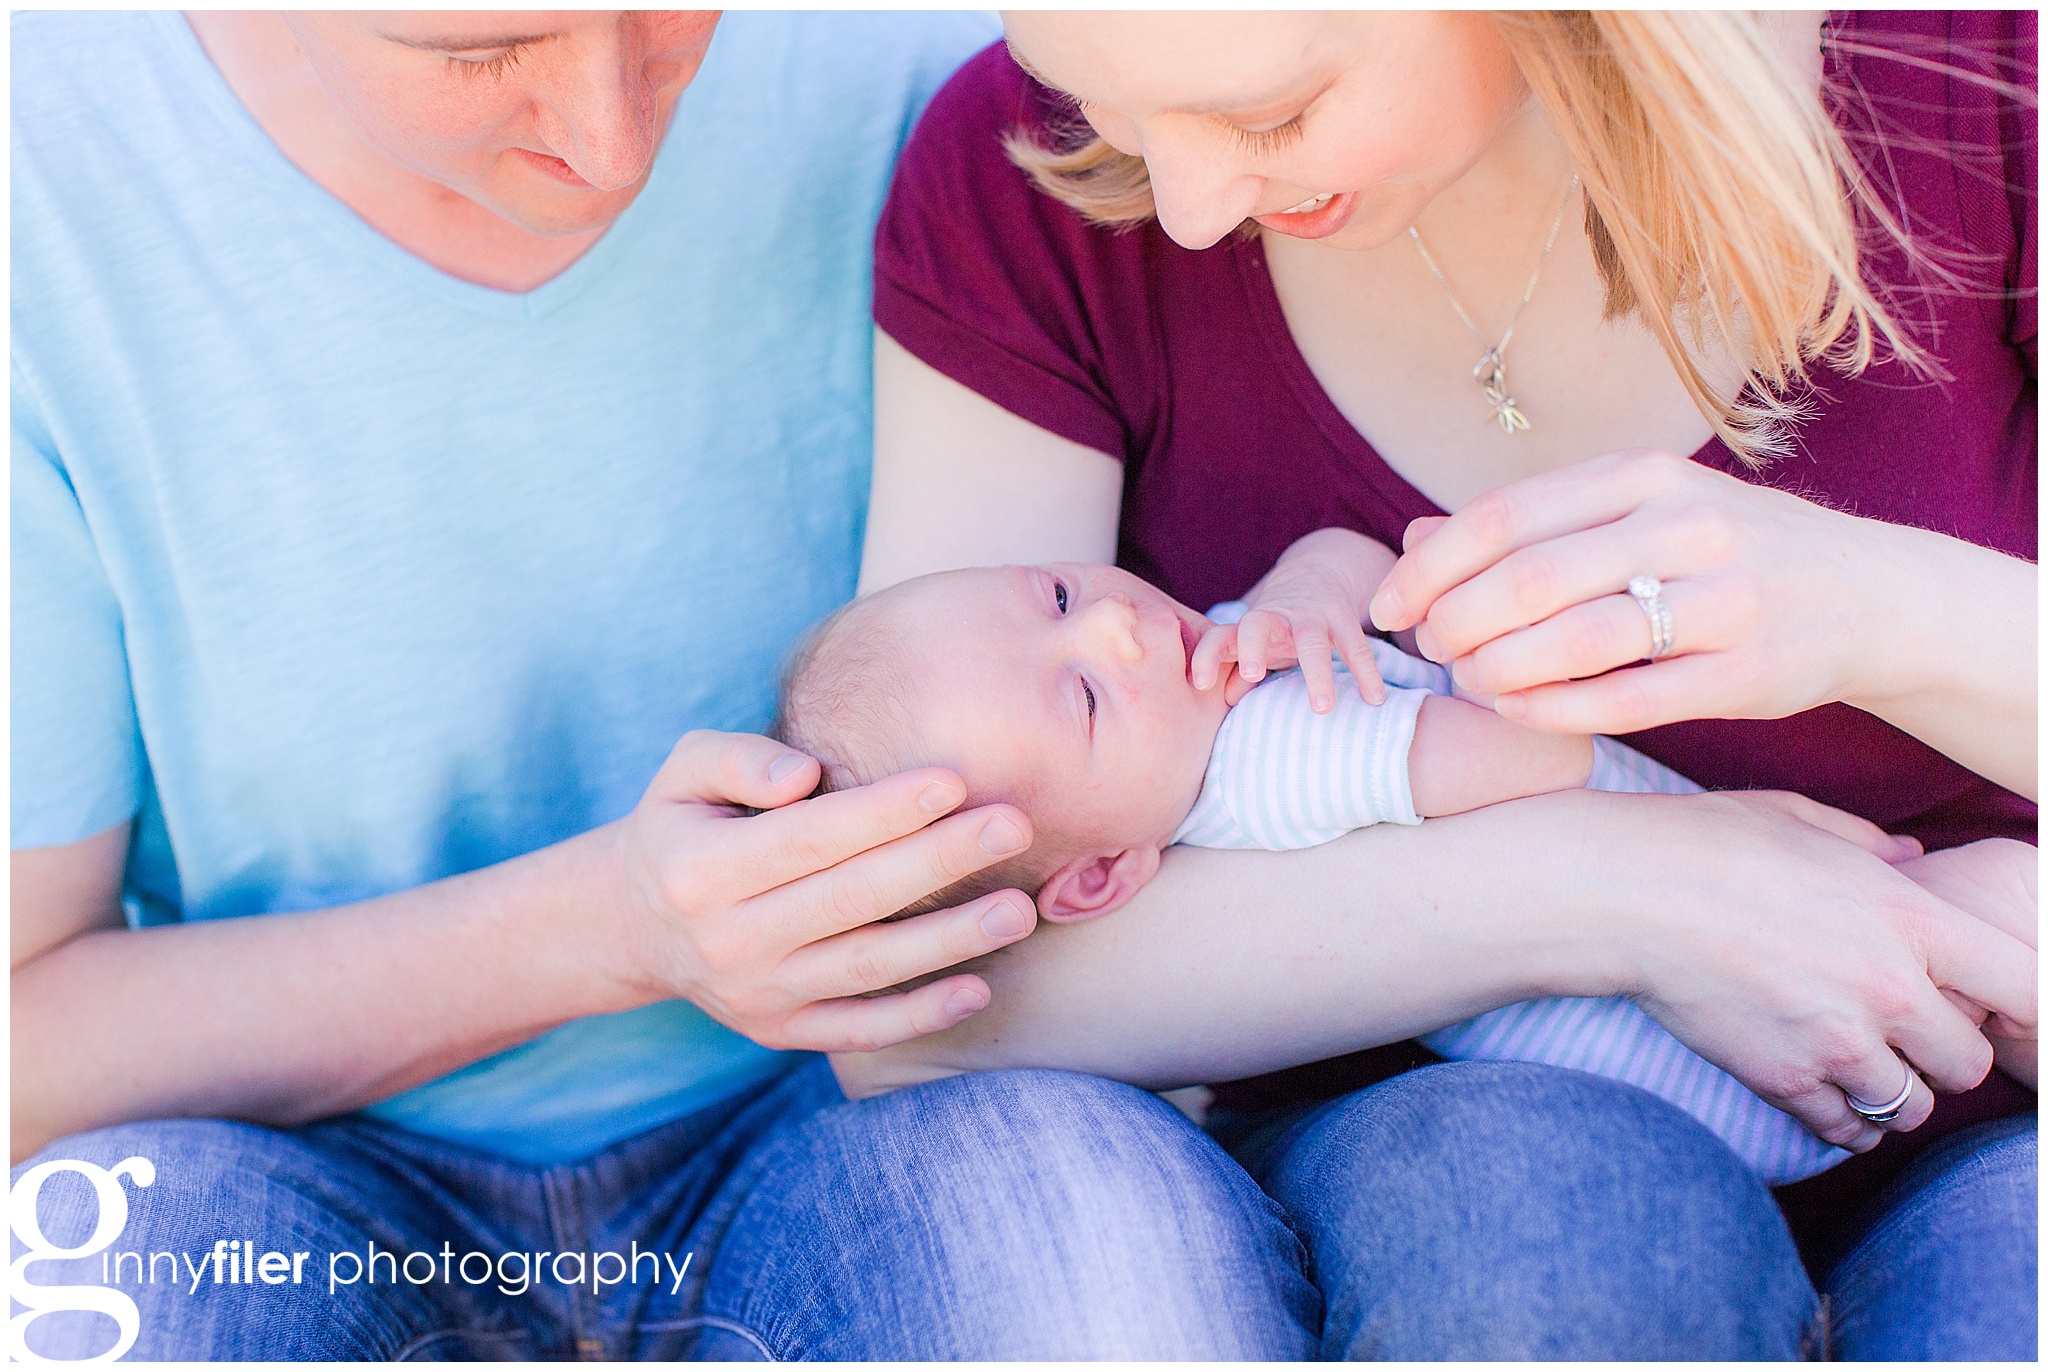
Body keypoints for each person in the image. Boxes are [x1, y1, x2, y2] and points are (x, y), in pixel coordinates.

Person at [11, 9, 1328, 1360]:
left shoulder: (933, 58)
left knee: (1093, 1262)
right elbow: (24, 1038)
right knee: (124, 1295)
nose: (611, 143)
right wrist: (618, 927)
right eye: (475, 52)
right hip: (284, 1164)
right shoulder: (41, 191)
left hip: (850, 1116)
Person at [845, 9, 2038, 1359]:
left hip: (1996, 1100)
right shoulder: (1024, 180)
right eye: (1095, 100)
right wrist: (1631, 890)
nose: (1182, 211)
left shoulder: (1986, 77)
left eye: (1272, 112)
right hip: (1431, 1134)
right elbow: (914, 980)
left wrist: (1881, 612)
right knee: (1537, 1242)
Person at [772, 537, 2033, 1186]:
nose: (1109, 619)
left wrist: (1304, 593)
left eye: (1048, 596)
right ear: (1098, 878)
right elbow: (1530, 764)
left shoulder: (1188, 692)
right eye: (1083, 696)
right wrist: (1444, 660)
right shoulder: (1265, 768)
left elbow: (1332, 547)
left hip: (1725, 1046)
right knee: (1969, 930)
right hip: (1714, 1074)